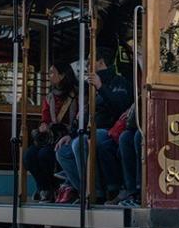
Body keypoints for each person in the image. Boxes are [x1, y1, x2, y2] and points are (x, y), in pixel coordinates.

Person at [55, 50, 132, 203]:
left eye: (91, 61)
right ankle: (82, 190)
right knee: (62, 151)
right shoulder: (89, 86)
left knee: (80, 143)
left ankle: (95, 192)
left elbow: (120, 107)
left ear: (101, 62)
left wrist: (100, 87)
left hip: (109, 130)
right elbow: (84, 115)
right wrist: (70, 134)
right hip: (89, 131)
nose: (88, 65)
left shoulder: (119, 82)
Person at [22, 64, 77, 201]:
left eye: (52, 72)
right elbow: (45, 118)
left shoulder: (76, 94)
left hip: (67, 135)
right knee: (28, 156)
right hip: (51, 136)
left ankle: (53, 187)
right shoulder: (50, 97)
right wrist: (43, 126)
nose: (49, 76)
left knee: (44, 154)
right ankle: (44, 188)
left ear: (62, 75)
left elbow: (78, 118)